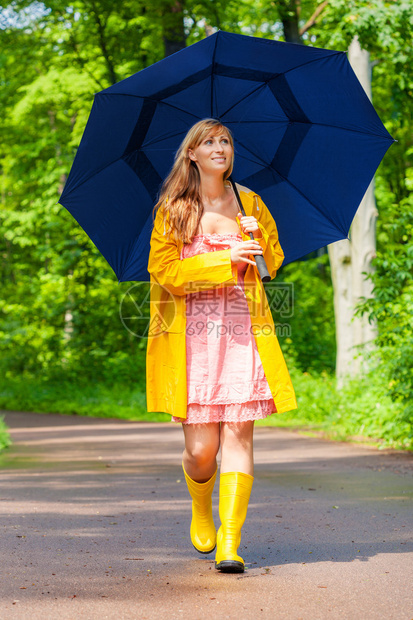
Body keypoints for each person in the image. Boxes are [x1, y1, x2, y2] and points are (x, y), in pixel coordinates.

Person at [146, 118, 297, 573]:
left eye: (225, 141)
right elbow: (164, 271)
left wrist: (257, 239)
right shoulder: (175, 208)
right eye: (209, 142)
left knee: (238, 433)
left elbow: (271, 264)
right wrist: (221, 258)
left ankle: (230, 544)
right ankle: (199, 504)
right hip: (191, 340)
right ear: (191, 153)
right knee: (201, 451)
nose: (220, 148)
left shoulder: (250, 201)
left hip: (243, 333)